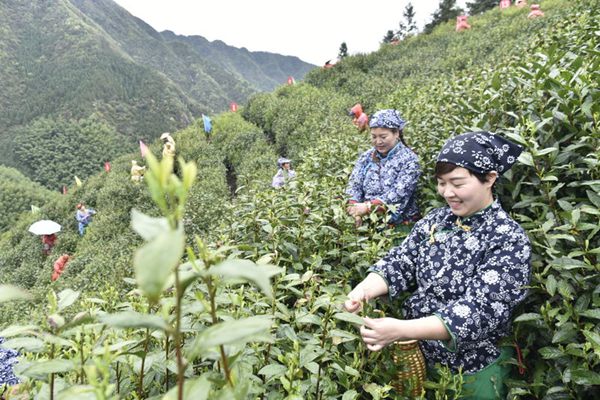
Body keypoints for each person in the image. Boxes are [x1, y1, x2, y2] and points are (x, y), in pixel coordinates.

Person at [344, 132, 531, 399]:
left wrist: (400, 329)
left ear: (489, 178)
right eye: (442, 183)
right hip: (421, 361)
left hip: (473, 370)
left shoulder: (508, 238)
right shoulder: (437, 221)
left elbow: (478, 311)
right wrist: (363, 290)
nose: (447, 193)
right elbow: (402, 261)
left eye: (457, 183)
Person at [346, 109, 421, 227]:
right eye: (374, 137)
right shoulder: (366, 157)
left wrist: (368, 207)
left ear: (396, 133)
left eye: (383, 136)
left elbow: (398, 194)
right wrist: (354, 208)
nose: (378, 141)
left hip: (400, 224)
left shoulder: (410, 160)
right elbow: (354, 185)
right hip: (368, 223)